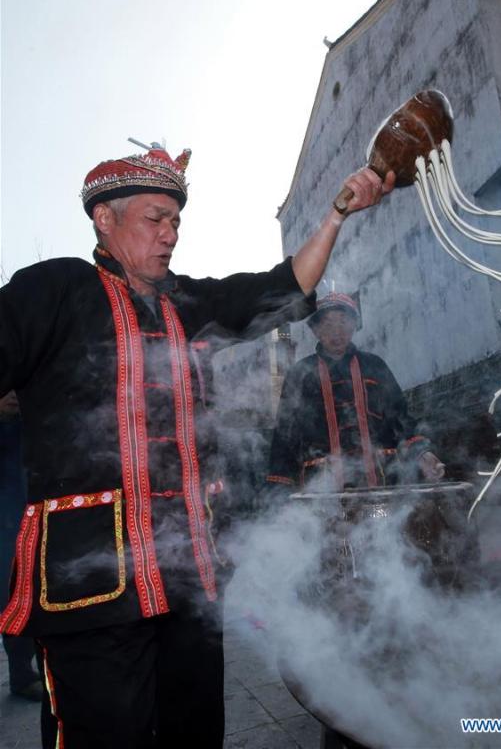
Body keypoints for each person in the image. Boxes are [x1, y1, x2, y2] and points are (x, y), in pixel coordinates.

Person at [0, 142, 394, 749]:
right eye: (155, 219)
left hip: (186, 575)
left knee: (196, 730)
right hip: (92, 585)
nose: (170, 235)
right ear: (105, 218)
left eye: (176, 221)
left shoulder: (187, 303)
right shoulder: (51, 289)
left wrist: (339, 213)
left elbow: (282, 287)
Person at [267, 292, 445, 491]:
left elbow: (401, 418)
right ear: (316, 331)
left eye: (344, 322)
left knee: (383, 522)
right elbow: (285, 435)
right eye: (328, 324)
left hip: (381, 482)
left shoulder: (375, 367)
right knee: (327, 522)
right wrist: (279, 490)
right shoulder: (300, 374)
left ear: (354, 326)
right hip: (321, 491)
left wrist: (422, 453)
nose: (337, 332)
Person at [0, 392, 42, 701]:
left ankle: (25, 672)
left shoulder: (29, 425)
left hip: (26, 521)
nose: (13, 396)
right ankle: (22, 673)